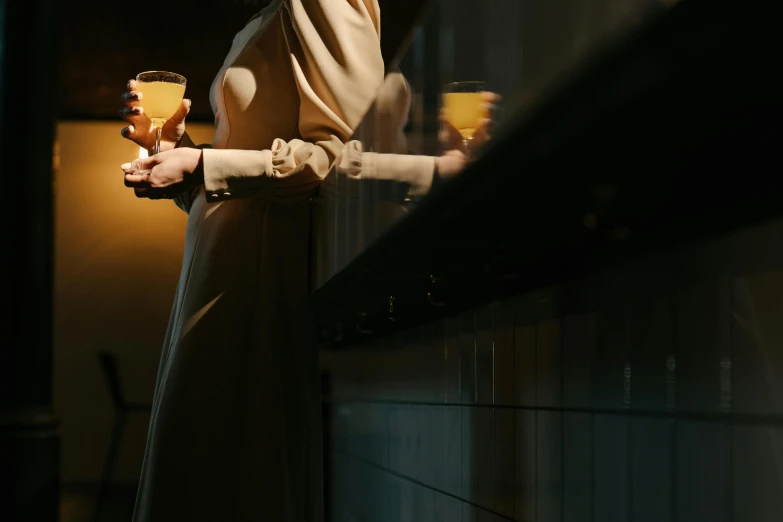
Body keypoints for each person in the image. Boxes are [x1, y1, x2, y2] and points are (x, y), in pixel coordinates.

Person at [118, 1, 495, 520]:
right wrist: (179, 156)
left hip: (258, 277)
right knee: (203, 469)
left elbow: (338, 160)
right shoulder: (265, 14)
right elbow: (234, 185)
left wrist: (204, 163)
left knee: (228, 472)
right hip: (217, 264)